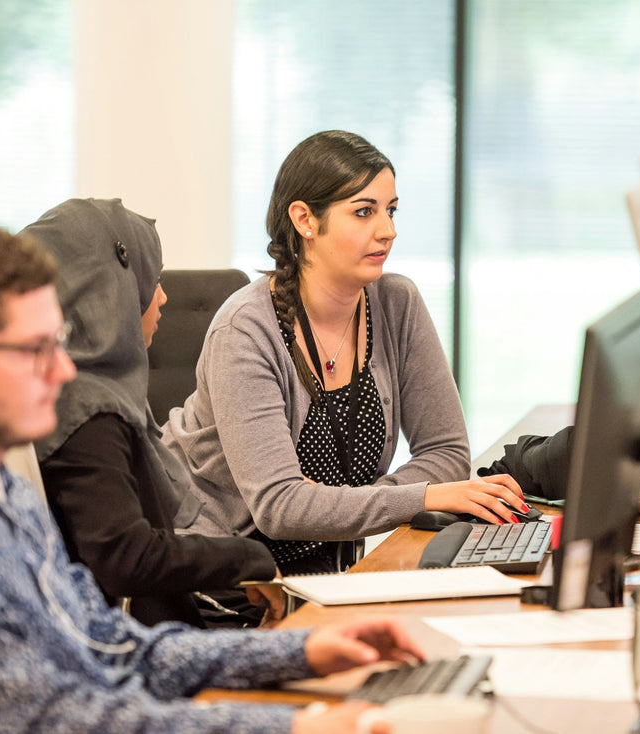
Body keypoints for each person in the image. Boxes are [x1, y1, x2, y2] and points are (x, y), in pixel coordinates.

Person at [0, 214, 422, 733]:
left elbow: (112, 644)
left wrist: (300, 651)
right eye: (34, 350)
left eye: (60, 342)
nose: (61, 371)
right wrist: (290, 724)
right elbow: (67, 721)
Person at [163, 130, 527, 574]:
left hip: (329, 569)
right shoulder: (246, 330)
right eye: (363, 212)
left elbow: (447, 452)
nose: (388, 230)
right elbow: (280, 507)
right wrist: (422, 496)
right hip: (226, 577)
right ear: (305, 220)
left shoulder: (396, 303)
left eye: (390, 211)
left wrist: (337, 504)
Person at [24, 198, 282, 629]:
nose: (162, 296)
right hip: (137, 648)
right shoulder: (88, 412)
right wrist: (247, 558)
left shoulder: (79, 393)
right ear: (109, 290)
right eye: (152, 279)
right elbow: (125, 558)